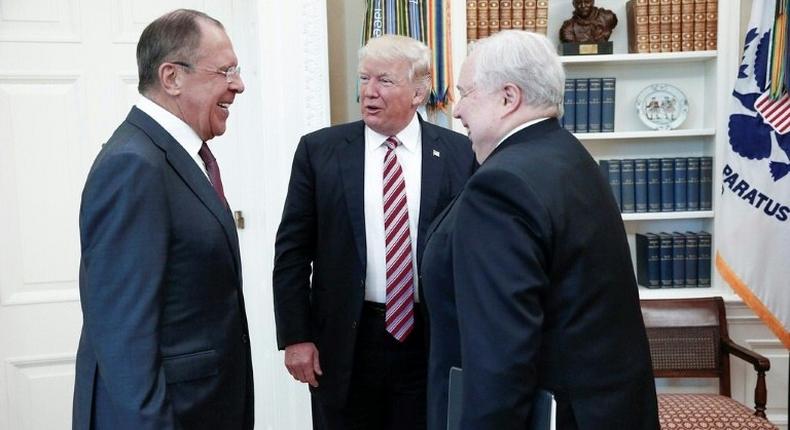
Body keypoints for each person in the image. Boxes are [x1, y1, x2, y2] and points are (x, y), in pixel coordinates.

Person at [421, 30, 659, 430]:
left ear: (508, 98)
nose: (457, 110)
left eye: (466, 93)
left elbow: (500, 358)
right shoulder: (569, 156)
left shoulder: (501, 186)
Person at [273, 34, 475, 429]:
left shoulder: (460, 154)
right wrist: (295, 336)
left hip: (430, 336)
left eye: (384, 80)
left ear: (419, 91)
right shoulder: (319, 151)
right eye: (364, 79)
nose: (369, 92)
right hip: (347, 340)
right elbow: (293, 251)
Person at [72, 9, 253, 430]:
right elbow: (123, 339)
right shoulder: (133, 166)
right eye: (225, 70)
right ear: (171, 77)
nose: (238, 85)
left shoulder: (174, 157)